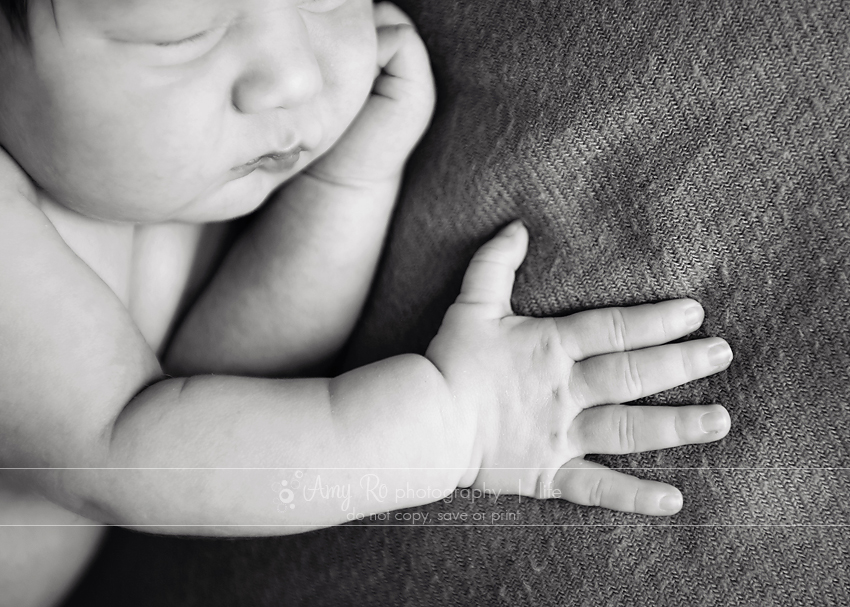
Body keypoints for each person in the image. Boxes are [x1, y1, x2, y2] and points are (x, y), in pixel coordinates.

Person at [0, 1, 734, 605]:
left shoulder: (153, 168)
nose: (295, 73)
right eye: (180, 31)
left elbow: (216, 389)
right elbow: (134, 456)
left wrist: (341, 189)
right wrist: (454, 428)